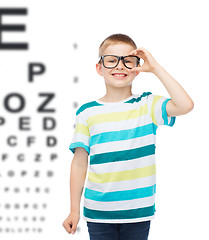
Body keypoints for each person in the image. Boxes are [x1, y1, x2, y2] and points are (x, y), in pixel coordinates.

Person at [62, 33, 194, 240]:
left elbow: (185, 105)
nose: (120, 66)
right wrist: (74, 210)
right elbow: (79, 163)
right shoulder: (87, 112)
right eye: (112, 61)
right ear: (99, 68)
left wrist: (156, 68)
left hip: (138, 211)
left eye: (128, 61)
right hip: (99, 212)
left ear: (138, 68)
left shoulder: (148, 104)